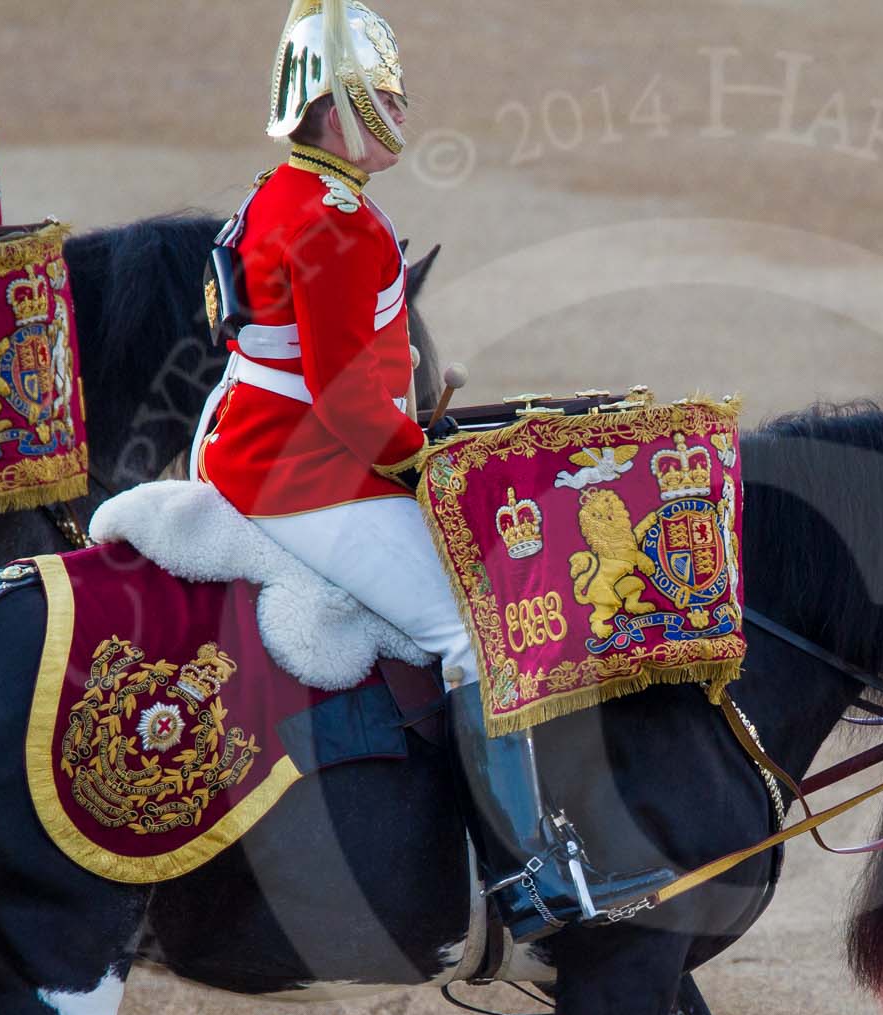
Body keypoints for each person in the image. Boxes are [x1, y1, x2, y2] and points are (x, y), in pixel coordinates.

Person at [194, 0, 670, 941]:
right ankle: (522, 877)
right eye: (385, 96)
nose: (401, 112)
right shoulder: (339, 223)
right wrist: (438, 466)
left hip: (265, 439)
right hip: (300, 472)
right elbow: (346, 409)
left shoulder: (283, 190)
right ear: (336, 105)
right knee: (475, 626)